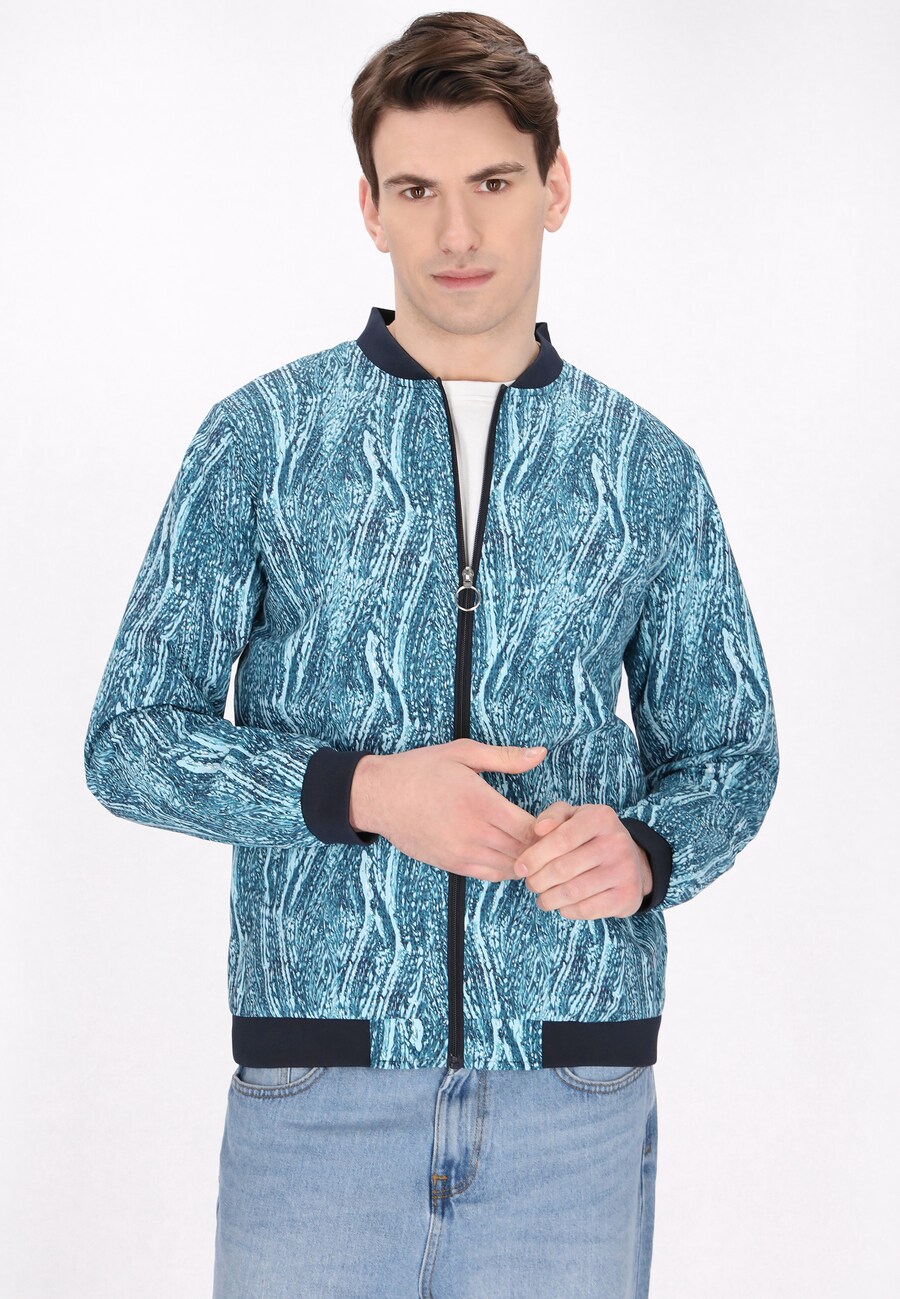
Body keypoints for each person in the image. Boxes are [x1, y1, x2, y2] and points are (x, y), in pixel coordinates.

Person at [83, 11, 780, 1298]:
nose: (457, 232)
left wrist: (649, 851)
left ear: (555, 189)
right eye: (416, 190)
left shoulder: (648, 468)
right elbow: (129, 741)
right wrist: (361, 792)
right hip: (319, 1087)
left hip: (574, 1085)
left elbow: (732, 749)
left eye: (493, 184)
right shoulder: (262, 439)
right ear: (370, 207)